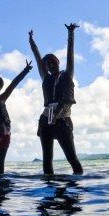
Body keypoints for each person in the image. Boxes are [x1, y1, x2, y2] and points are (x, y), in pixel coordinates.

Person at [29, 23, 83, 175]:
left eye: (52, 62)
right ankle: (49, 194)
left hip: (62, 121)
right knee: (47, 160)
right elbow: (37, 57)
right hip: (46, 120)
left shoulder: (67, 75)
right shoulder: (45, 77)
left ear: (57, 62)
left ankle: (75, 192)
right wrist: (32, 43)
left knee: (72, 159)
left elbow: (70, 56)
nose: (50, 65)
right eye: (47, 64)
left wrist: (71, 34)